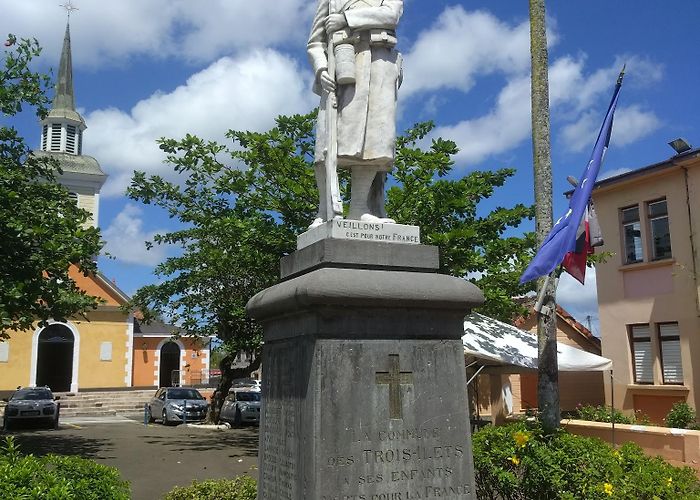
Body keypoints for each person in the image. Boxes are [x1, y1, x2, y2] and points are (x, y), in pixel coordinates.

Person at [307, 0, 403, 227]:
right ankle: (324, 210)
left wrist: (346, 19)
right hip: (342, 66)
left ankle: (359, 208)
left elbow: (391, 15)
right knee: (329, 143)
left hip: (380, 65)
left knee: (375, 140)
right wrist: (321, 70)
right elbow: (314, 43)